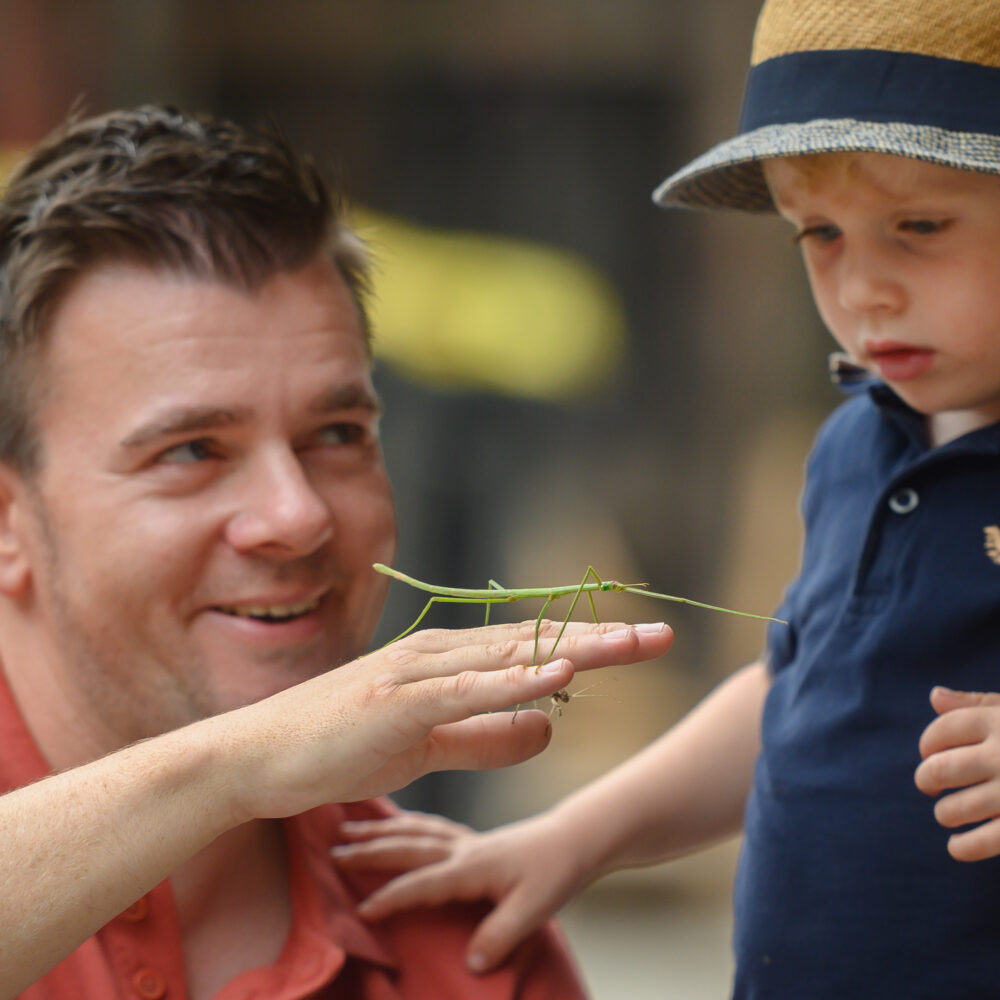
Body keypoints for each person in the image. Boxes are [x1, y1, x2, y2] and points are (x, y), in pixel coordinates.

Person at [330, 1, 1000, 996]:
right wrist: (570, 840)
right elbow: (799, 695)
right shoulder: (856, 444)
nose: (864, 289)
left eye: (918, 226)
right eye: (818, 232)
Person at [0, 105, 675, 999]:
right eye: (193, 450)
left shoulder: (474, 948)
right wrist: (237, 771)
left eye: (339, 432)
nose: (298, 513)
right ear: (9, 521)